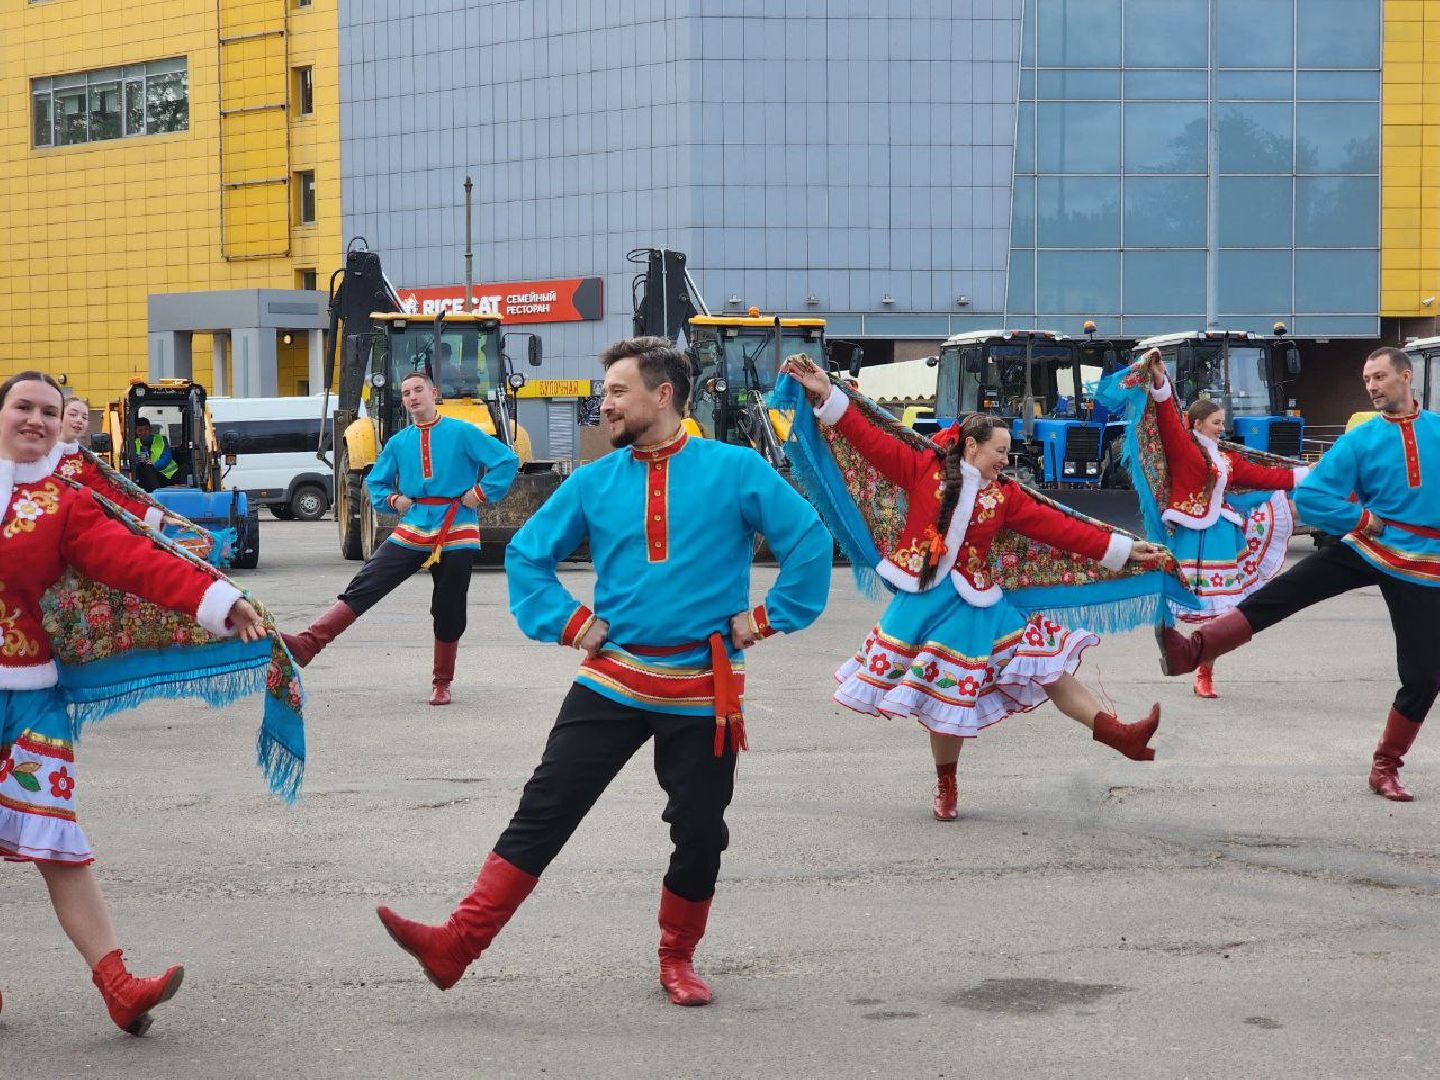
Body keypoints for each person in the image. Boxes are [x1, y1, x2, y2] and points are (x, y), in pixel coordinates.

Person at [375, 337, 832, 1005]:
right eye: (606, 392)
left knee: (700, 833)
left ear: (663, 394)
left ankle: (677, 958)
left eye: (618, 391)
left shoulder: (735, 469)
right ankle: (457, 945)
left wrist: (764, 619)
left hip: (703, 687)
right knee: (544, 810)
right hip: (612, 677)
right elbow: (528, 554)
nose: (606, 404)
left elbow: (810, 539)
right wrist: (571, 623)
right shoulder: (594, 480)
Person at [0, 371, 301, 1036]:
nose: (37, 420)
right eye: (23, 406)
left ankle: (118, 986)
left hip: (30, 696)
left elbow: (133, 559)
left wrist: (215, 599)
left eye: (48, 411)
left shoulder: (65, 504)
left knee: (57, 840)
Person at [781, 357, 1188, 822]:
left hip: (982, 602)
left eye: (1008, 452)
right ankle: (946, 785)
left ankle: (1119, 735)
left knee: (1049, 667)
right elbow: (869, 439)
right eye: (1000, 450)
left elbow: (1060, 528)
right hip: (928, 603)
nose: (1005, 460)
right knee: (946, 703)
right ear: (971, 446)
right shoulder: (923, 468)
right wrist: (825, 392)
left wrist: (1124, 548)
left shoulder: (1006, 496)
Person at [1157, 346, 1440, 802]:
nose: (1371, 386)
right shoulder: (1359, 440)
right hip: (1369, 545)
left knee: (1424, 676)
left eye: (1380, 377)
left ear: (1406, 377)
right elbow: (1312, 498)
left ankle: (1385, 766)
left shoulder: (1438, 431)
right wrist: (1360, 518)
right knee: (1287, 590)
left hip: (1425, 565)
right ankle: (1193, 651)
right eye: (1367, 379)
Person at [282, 371, 518, 704]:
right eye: (406, 393)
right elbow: (376, 483)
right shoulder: (398, 442)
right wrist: (394, 500)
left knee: (449, 606)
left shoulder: (463, 432)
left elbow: (506, 461)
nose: (412, 397)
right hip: (413, 527)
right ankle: (309, 643)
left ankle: (442, 682)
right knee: (367, 582)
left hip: (456, 528)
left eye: (418, 390)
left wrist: (479, 493)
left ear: (433, 393)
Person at [1122, 351, 1309, 698]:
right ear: (1197, 424)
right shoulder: (1184, 448)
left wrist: (1305, 474)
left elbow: (1263, 476)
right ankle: (1175, 648)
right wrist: (1161, 382)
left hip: (1222, 535)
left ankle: (1204, 672)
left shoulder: (1227, 459)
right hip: (1190, 535)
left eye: (1223, 422)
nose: (1223, 428)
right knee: (1175, 600)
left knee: (1221, 613)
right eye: (1216, 422)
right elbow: (1167, 418)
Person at [131, 416, 177, 491]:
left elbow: (167, 457)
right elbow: (134, 459)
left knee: (148, 467)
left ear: (150, 429)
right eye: (140, 430)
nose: (143, 433)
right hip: (146, 475)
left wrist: (154, 465)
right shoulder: (134, 443)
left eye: (146, 430)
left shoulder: (161, 439)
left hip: (167, 475)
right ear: (136, 431)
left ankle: (156, 493)